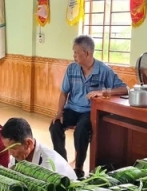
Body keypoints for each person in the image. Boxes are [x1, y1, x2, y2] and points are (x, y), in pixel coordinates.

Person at [50, 35, 127, 179]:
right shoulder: (72, 68)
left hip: (89, 111)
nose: (73, 56)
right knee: (55, 125)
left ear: (87, 53)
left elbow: (125, 89)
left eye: (75, 53)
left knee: (81, 130)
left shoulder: (104, 70)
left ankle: (78, 168)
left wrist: (103, 91)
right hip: (72, 108)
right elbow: (63, 92)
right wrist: (59, 112)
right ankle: (62, 164)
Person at [2, 118, 78, 180]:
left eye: (13, 148)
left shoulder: (48, 165)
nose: (10, 153)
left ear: (28, 143)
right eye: (7, 148)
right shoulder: (18, 157)